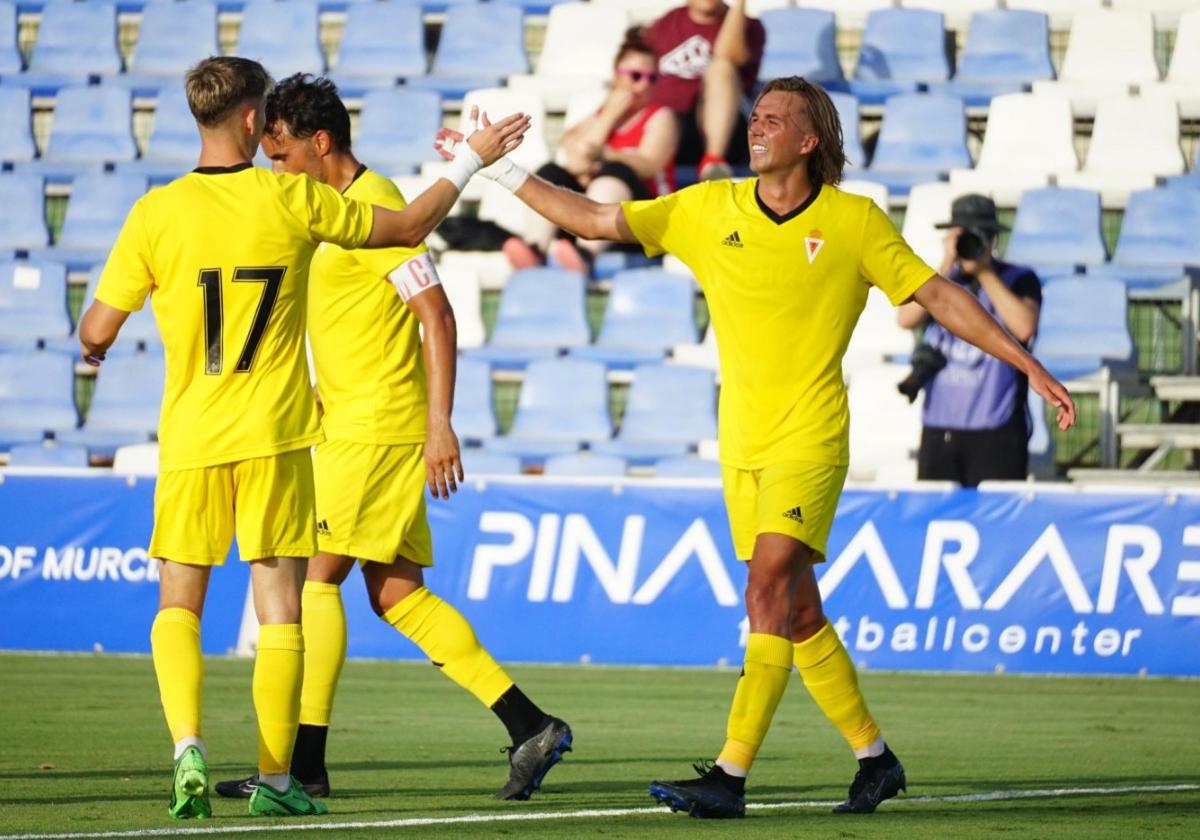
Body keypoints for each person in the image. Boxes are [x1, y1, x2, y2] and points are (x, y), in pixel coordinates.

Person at [435, 76, 1076, 818]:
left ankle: (730, 778)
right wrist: (497, 168)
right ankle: (875, 758)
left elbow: (938, 297)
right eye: (756, 115)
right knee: (798, 613)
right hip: (741, 444)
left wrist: (1029, 365)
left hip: (811, 438)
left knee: (766, 588)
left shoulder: (853, 221)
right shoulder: (710, 208)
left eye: (775, 118)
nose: (757, 125)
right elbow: (594, 217)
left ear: (809, 141)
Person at [76, 56, 528, 821]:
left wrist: (95, 345)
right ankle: (280, 775)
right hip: (280, 438)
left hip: (195, 437)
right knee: (286, 605)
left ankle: (187, 742)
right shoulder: (291, 200)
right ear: (253, 121)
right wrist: (473, 161)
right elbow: (412, 227)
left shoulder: (155, 212)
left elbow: (95, 330)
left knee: (180, 604)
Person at [210, 74, 572, 805]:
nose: (276, 170)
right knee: (398, 595)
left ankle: (298, 762)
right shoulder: (322, 216)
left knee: (315, 579)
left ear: (319, 145)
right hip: (346, 422)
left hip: (376, 429)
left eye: (281, 156)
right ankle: (530, 725)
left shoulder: (374, 207)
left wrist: (440, 423)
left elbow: (437, 316)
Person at [505, 27, 679, 272]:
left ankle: (585, 254)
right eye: (635, 76)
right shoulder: (600, 115)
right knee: (551, 172)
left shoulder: (660, 117)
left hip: (643, 216)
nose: (643, 86)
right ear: (616, 76)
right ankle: (535, 248)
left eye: (652, 79)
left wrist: (603, 157)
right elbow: (575, 159)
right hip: (591, 215)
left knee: (616, 170)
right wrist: (608, 117)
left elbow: (649, 165)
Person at [896, 195, 1043, 487]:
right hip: (941, 427)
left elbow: (1024, 327)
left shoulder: (1019, 278)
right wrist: (946, 263)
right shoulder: (939, 281)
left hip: (997, 429)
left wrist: (985, 271)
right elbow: (905, 318)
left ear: (992, 239)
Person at [643, 0, 766, 180]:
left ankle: (713, 162)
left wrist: (739, 5)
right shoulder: (666, 23)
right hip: (670, 128)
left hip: (727, 131)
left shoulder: (748, 26)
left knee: (721, 67)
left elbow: (729, 55)